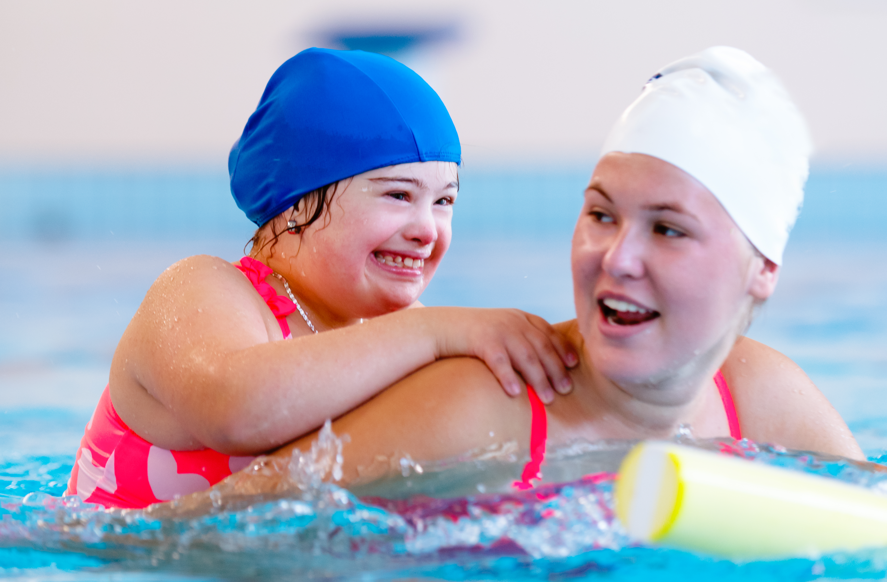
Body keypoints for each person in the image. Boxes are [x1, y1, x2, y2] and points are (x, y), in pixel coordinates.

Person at [254, 47, 864, 490]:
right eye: (601, 215)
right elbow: (210, 528)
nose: (617, 258)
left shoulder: (762, 400)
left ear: (762, 270)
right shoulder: (480, 408)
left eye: (668, 229)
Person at [64, 48, 581, 508]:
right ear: (293, 205)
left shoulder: (405, 333)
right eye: (398, 195)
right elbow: (234, 410)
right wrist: (435, 333)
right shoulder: (203, 290)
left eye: (444, 201)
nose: (428, 230)